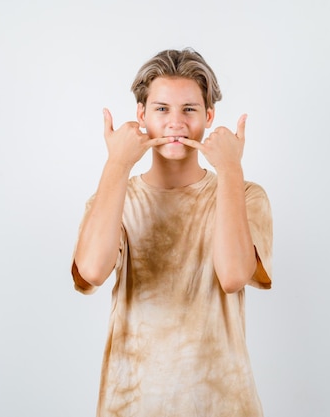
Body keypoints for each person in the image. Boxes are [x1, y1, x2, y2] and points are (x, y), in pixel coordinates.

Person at [71, 48, 273, 417]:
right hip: (131, 404)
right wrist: (117, 162)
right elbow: (91, 272)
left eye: (190, 109)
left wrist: (230, 168)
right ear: (141, 115)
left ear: (209, 116)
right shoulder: (114, 197)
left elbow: (232, 276)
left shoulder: (244, 193)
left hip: (223, 404)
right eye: (162, 109)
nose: (176, 122)